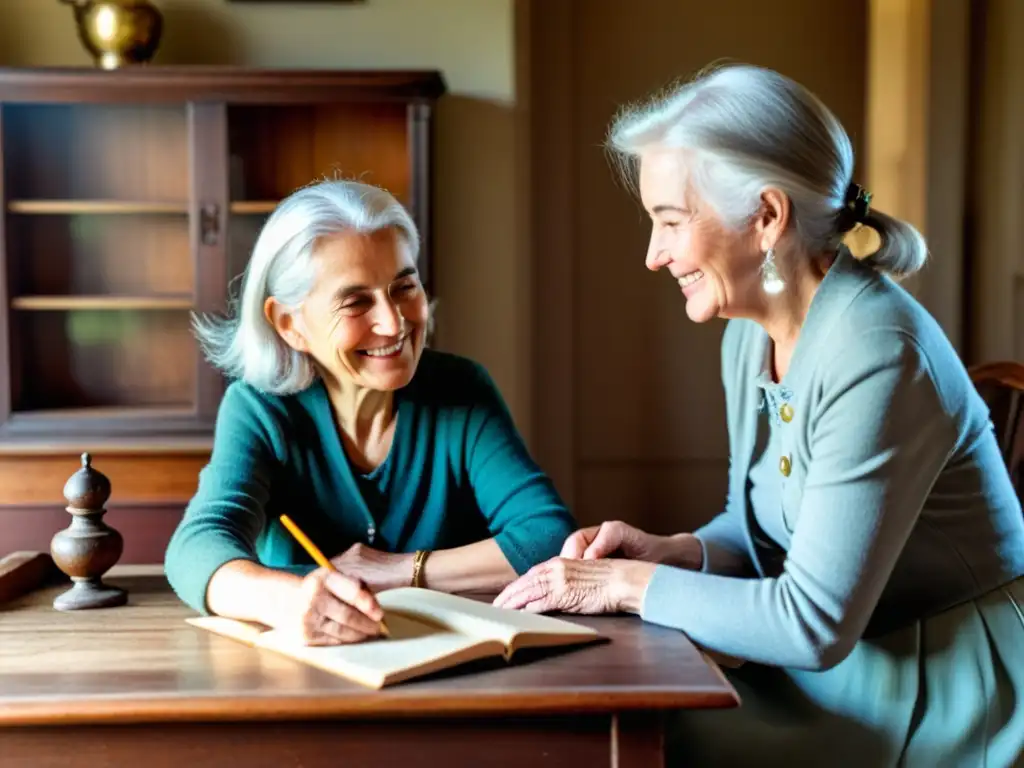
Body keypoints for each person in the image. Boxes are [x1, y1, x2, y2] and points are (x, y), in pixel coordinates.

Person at [493, 63, 1024, 766]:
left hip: (949, 689)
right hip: (849, 669)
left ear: (767, 217)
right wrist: (676, 550)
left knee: (625, 739)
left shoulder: (877, 353)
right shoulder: (749, 335)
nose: (653, 256)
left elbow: (810, 625)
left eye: (670, 222)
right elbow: (759, 529)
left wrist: (622, 585)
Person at [165, 179, 575, 646]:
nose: (394, 321)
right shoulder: (260, 407)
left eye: (404, 287)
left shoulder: (462, 390)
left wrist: (397, 571)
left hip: (451, 673)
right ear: (289, 324)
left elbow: (547, 535)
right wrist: (290, 600)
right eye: (356, 302)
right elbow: (195, 548)